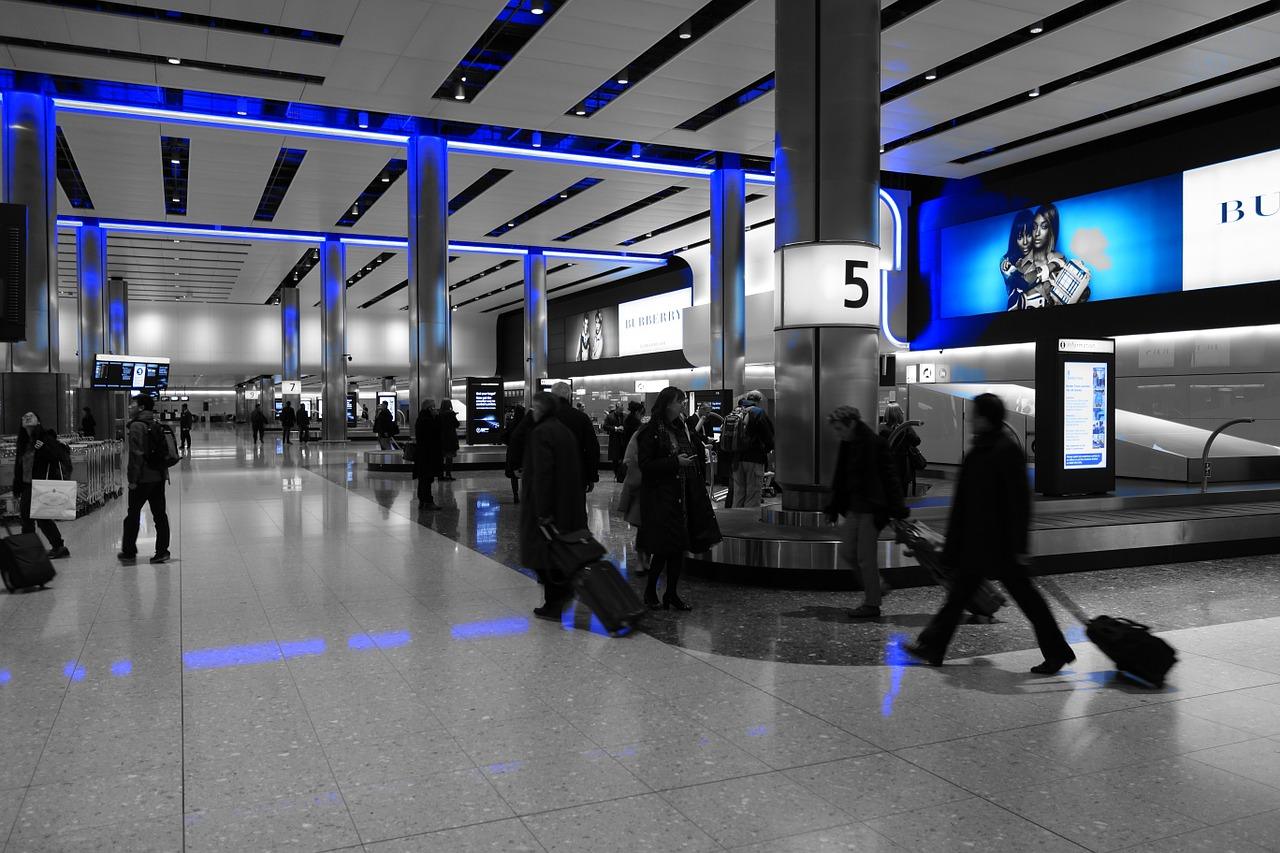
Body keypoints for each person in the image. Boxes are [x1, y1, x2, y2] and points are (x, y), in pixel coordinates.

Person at [906, 393, 1075, 674]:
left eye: (975, 414)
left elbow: (1019, 504)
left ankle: (1057, 651)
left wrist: (1019, 547)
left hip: (1002, 545)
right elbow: (963, 504)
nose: (970, 418)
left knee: (1026, 600)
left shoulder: (1004, 451)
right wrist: (954, 545)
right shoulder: (980, 451)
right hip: (979, 542)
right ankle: (932, 646)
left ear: (985, 418)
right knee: (959, 596)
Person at [637, 387, 722, 612]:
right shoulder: (651, 430)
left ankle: (671, 593)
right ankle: (650, 591)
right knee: (664, 548)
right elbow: (645, 465)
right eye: (679, 402)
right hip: (661, 498)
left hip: (682, 496)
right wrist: (676, 462)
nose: (683, 405)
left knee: (678, 548)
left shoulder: (680, 428)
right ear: (667, 404)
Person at [824, 406, 907, 619]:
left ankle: (872, 604)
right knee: (847, 552)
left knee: (865, 558)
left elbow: (890, 477)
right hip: (854, 508)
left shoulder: (876, 444)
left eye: (840, 428)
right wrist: (833, 507)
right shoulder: (847, 444)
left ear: (852, 423)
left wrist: (897, 509)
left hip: (873, 509)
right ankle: (877, 586)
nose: (838, 433)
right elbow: (840, 477)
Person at [519, 392, 587, 621]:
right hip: (567, 502)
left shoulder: (541, 433)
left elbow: (542, 474)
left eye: (534, 408)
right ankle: (558, 597)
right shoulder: (563, 430)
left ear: (542, 409)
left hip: (547, 505)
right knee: (555, 553)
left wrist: (542, 511)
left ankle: (554, 602)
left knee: (542, 555)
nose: (532, 412)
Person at [119, 394, 171, 565]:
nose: (129, 407)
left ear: (141, 407)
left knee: (132, 515)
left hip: (143, 478)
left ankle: (128, 551)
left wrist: (132, 479)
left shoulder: (136, 426)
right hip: (159, 476)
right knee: (160, 515)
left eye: (132, 404)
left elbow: (136, 455)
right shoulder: (155, 423)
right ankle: (162, 551)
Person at [13, 412, 70, 559]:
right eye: (24, 416)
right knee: (26, 518)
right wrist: (16, 486)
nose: (27, 417)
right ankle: (32, 548)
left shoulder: (45, 438)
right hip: (27, 485)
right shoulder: (23, 442)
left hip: (41, 484)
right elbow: (18, 467)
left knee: (42, 518)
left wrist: (43, 448)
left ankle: (58, 546)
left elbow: (58, 457)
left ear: (38, 422)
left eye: (31, 416)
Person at [726, 390, 774, 508]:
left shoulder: (735, 411)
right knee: (753, 494)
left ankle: (736, 521)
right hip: (754, 458)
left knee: (738, 493)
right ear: (759, 401)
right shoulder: (758, 412)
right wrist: (768, 449)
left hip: (736, 459)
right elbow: (768, 436)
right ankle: (749, 523)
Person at [551, 382, 599, 496]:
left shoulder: (545, 417)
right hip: (576, 474)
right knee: (575, 509)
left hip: (550, 475)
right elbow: (592, 448)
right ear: (569, 396)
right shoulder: (581, 418)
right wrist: (591, 476)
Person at [881, 403, 921, 498]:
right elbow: (917, 441)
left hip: (885, 464)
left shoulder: (880, 428)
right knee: (902, 494)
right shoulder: (905, 428)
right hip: (902, 465)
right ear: (899, 414)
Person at [414, 400, 443, 509]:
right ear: (429, 408)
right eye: (434, 407)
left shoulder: (421, 418)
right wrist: (437, 418)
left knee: (423, 479)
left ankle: (422, 500)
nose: (435, 409)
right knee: (427, 478)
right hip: (428, 454)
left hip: (422, 454)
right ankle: (428, 501)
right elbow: (436, 432)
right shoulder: (428, 420)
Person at [603, 403, 627, 482]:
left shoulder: (625, 416)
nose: (621, 411)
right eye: (620, 410)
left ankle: (622, 475)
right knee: (615, 459)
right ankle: (617, 474)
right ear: (616, 408)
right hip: (615, 440)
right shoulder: (610, 416)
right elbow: (605, 426)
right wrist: (616, 428)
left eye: (622, 410)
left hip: (624, 440)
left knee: (624, 458)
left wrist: (624, 428)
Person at [438, 400, 460, 480]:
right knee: (449, 458)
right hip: (450, 439)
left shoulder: (439, 414)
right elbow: (457, 424)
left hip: (441, 438)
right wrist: (454, 416)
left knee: (440, 458)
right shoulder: (451, 414)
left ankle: (440, 475)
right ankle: (448, 474)